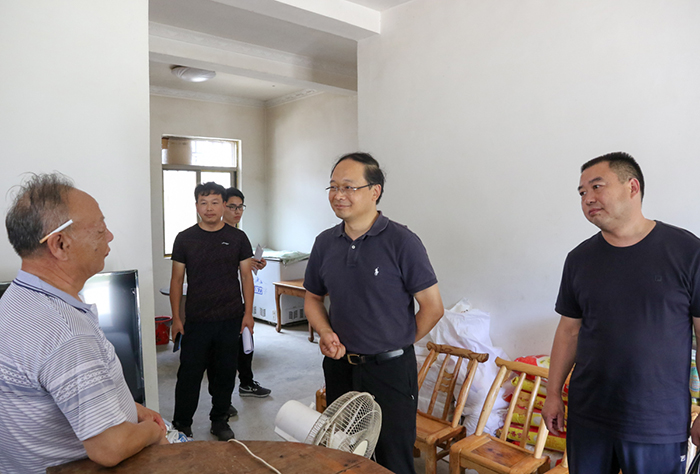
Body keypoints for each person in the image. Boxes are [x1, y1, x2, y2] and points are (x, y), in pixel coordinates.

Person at [542, 152, 700, 473]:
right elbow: (569, 331)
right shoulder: (579, 259)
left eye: (597, 186)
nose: (588, 198)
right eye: (582, 192)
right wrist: (553, 393)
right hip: (589, 416)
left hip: (657, 422)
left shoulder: (687, 252)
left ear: (632, 187)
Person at [0, 173, 167, 474]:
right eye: (100, 230)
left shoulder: (17, 298)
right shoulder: (65, 333)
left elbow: (65, 394)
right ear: (60, 244)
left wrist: (132, 410)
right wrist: (154, 431)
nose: (110, 236)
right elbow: (110, 447)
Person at [303, 152, 444, 474]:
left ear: (374, 191)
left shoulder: (402, 241)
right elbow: (312, 299)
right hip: (340, 367)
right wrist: (325, 332)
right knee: (343, 453)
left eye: (349, 187)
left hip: (391, 371)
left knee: (394, 458)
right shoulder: (325, 243)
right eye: (333, 187)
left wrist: (396, 341)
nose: (338, 195)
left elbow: (433, 307)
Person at [169, 182, 254, 441]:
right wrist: (176, 318)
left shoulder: (238, 238)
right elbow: (176, 280)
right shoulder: (184, 238)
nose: (209, 208)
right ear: (196, 206)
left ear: (223, 205)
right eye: (203, 203)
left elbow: (246, 277)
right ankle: (182, 424)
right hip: (196, 320)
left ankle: (219, 420)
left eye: (215, 202)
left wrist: (248, 314)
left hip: (230, 318)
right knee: (189, 374)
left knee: (226, 373)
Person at [210, 187, 271, 420]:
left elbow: (243, 272)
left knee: (246, 344)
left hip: (240, 302)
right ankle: (221, 401)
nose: (237, 212)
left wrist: (254, 264)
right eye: (232, 207)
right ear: (222, 206)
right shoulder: (212, 235)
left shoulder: (239, 236)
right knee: (220, 356)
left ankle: (246, 383)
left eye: (240, 207)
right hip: (220, 305)